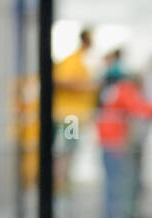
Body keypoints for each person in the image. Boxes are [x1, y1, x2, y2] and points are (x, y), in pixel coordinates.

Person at [95, 73, 152, 218]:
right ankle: (113, 217)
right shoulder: (125, 89)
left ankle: (111, 216)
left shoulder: (114, 90)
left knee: (112, 179)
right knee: (117, 180)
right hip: (115, 141)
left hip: (108, 139)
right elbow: (137, 107)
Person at [52, 26, 98, 195]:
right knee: (66, 151)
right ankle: (60, 186)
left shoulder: (82, 60)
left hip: (76, 115)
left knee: (70, 150)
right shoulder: (73, 60)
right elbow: (60, 81)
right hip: (70, 115)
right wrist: (86, 86)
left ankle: (63, 184)